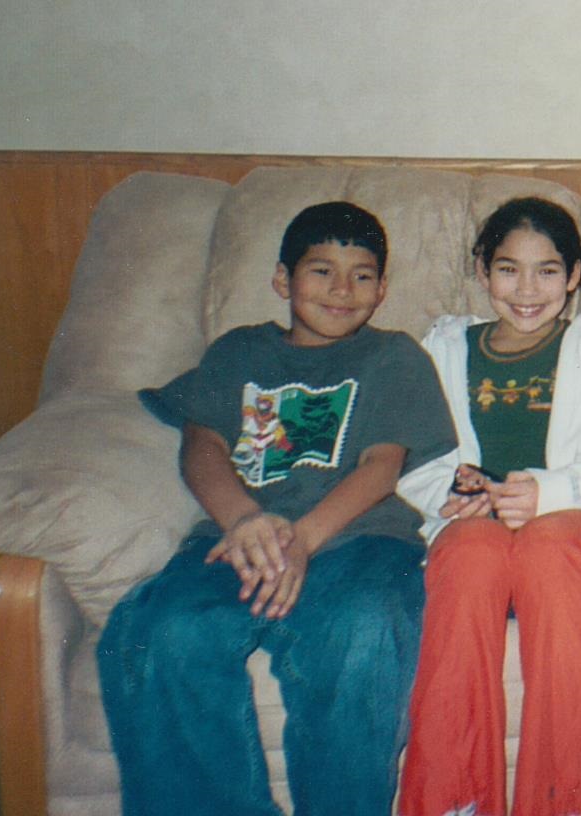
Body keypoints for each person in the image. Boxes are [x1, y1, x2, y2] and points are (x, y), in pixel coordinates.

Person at [96, 201, 456, 816]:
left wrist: (303, 541)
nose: (341, 290)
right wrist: (243, 520)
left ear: (382, 290)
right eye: (321, 271)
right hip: (241, 535)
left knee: (363, 635)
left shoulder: (394, 356)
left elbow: (381, 466)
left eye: (362, 275)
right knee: (164, 632)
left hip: (360, 540)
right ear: (283, 279)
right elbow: (201, 446)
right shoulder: (238, 352)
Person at [395, 197, 581, 816]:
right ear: (482, 270)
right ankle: (451, 802)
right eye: (509, 270)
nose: (528, 290)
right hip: (475, 533)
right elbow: (414, 459)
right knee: (468, 554)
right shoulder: (447, 346)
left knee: (545, 548)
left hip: (577, 532)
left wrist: (547, 493)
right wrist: (453, 492)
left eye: (548, 271)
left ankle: (564, 802)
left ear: (575, 275)